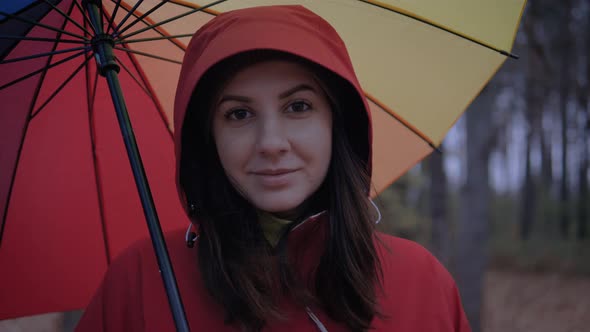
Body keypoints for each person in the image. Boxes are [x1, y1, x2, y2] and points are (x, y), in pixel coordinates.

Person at [76, 5, 470, 332]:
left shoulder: (421, 282)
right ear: (208, 138)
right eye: (239, 113)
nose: (270, 143)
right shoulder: (143, 282)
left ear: (336, 122)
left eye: (298, 107)